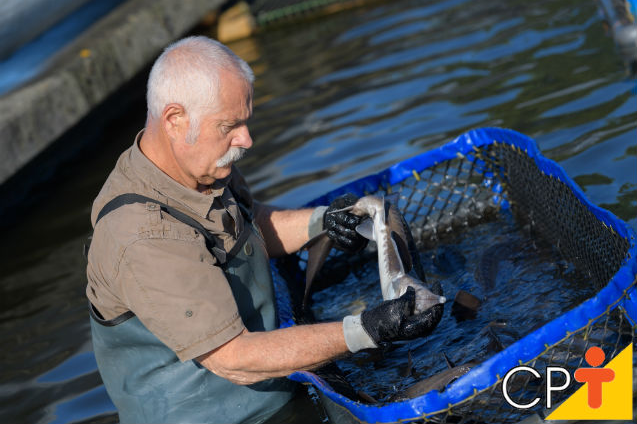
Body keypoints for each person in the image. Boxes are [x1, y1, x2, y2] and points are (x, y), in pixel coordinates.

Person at [86, 36, 427, 424]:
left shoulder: (201, 163)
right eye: (230, 126)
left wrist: (321, 222)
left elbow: (250, 221)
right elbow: (235, 358)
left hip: (277, 386)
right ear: (175, 120)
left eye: (245, 121)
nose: (246, 139)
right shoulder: (142, 236)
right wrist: (367, 329)